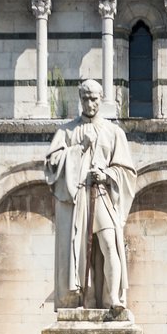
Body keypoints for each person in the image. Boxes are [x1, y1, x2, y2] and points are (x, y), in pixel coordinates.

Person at [44, 78, 137, 319]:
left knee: (109, 245)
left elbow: (127, 171)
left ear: (101, 99)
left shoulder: (113, 131)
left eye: (94, 98)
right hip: (78, 200)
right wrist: (77, 150)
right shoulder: (67, 131)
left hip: (102, 195)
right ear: (80, 99)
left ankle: (114, 299)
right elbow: (51, 165)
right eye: (85, 98)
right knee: (79, 249)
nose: (89, 103)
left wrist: (106, 174)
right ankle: (83, 299)